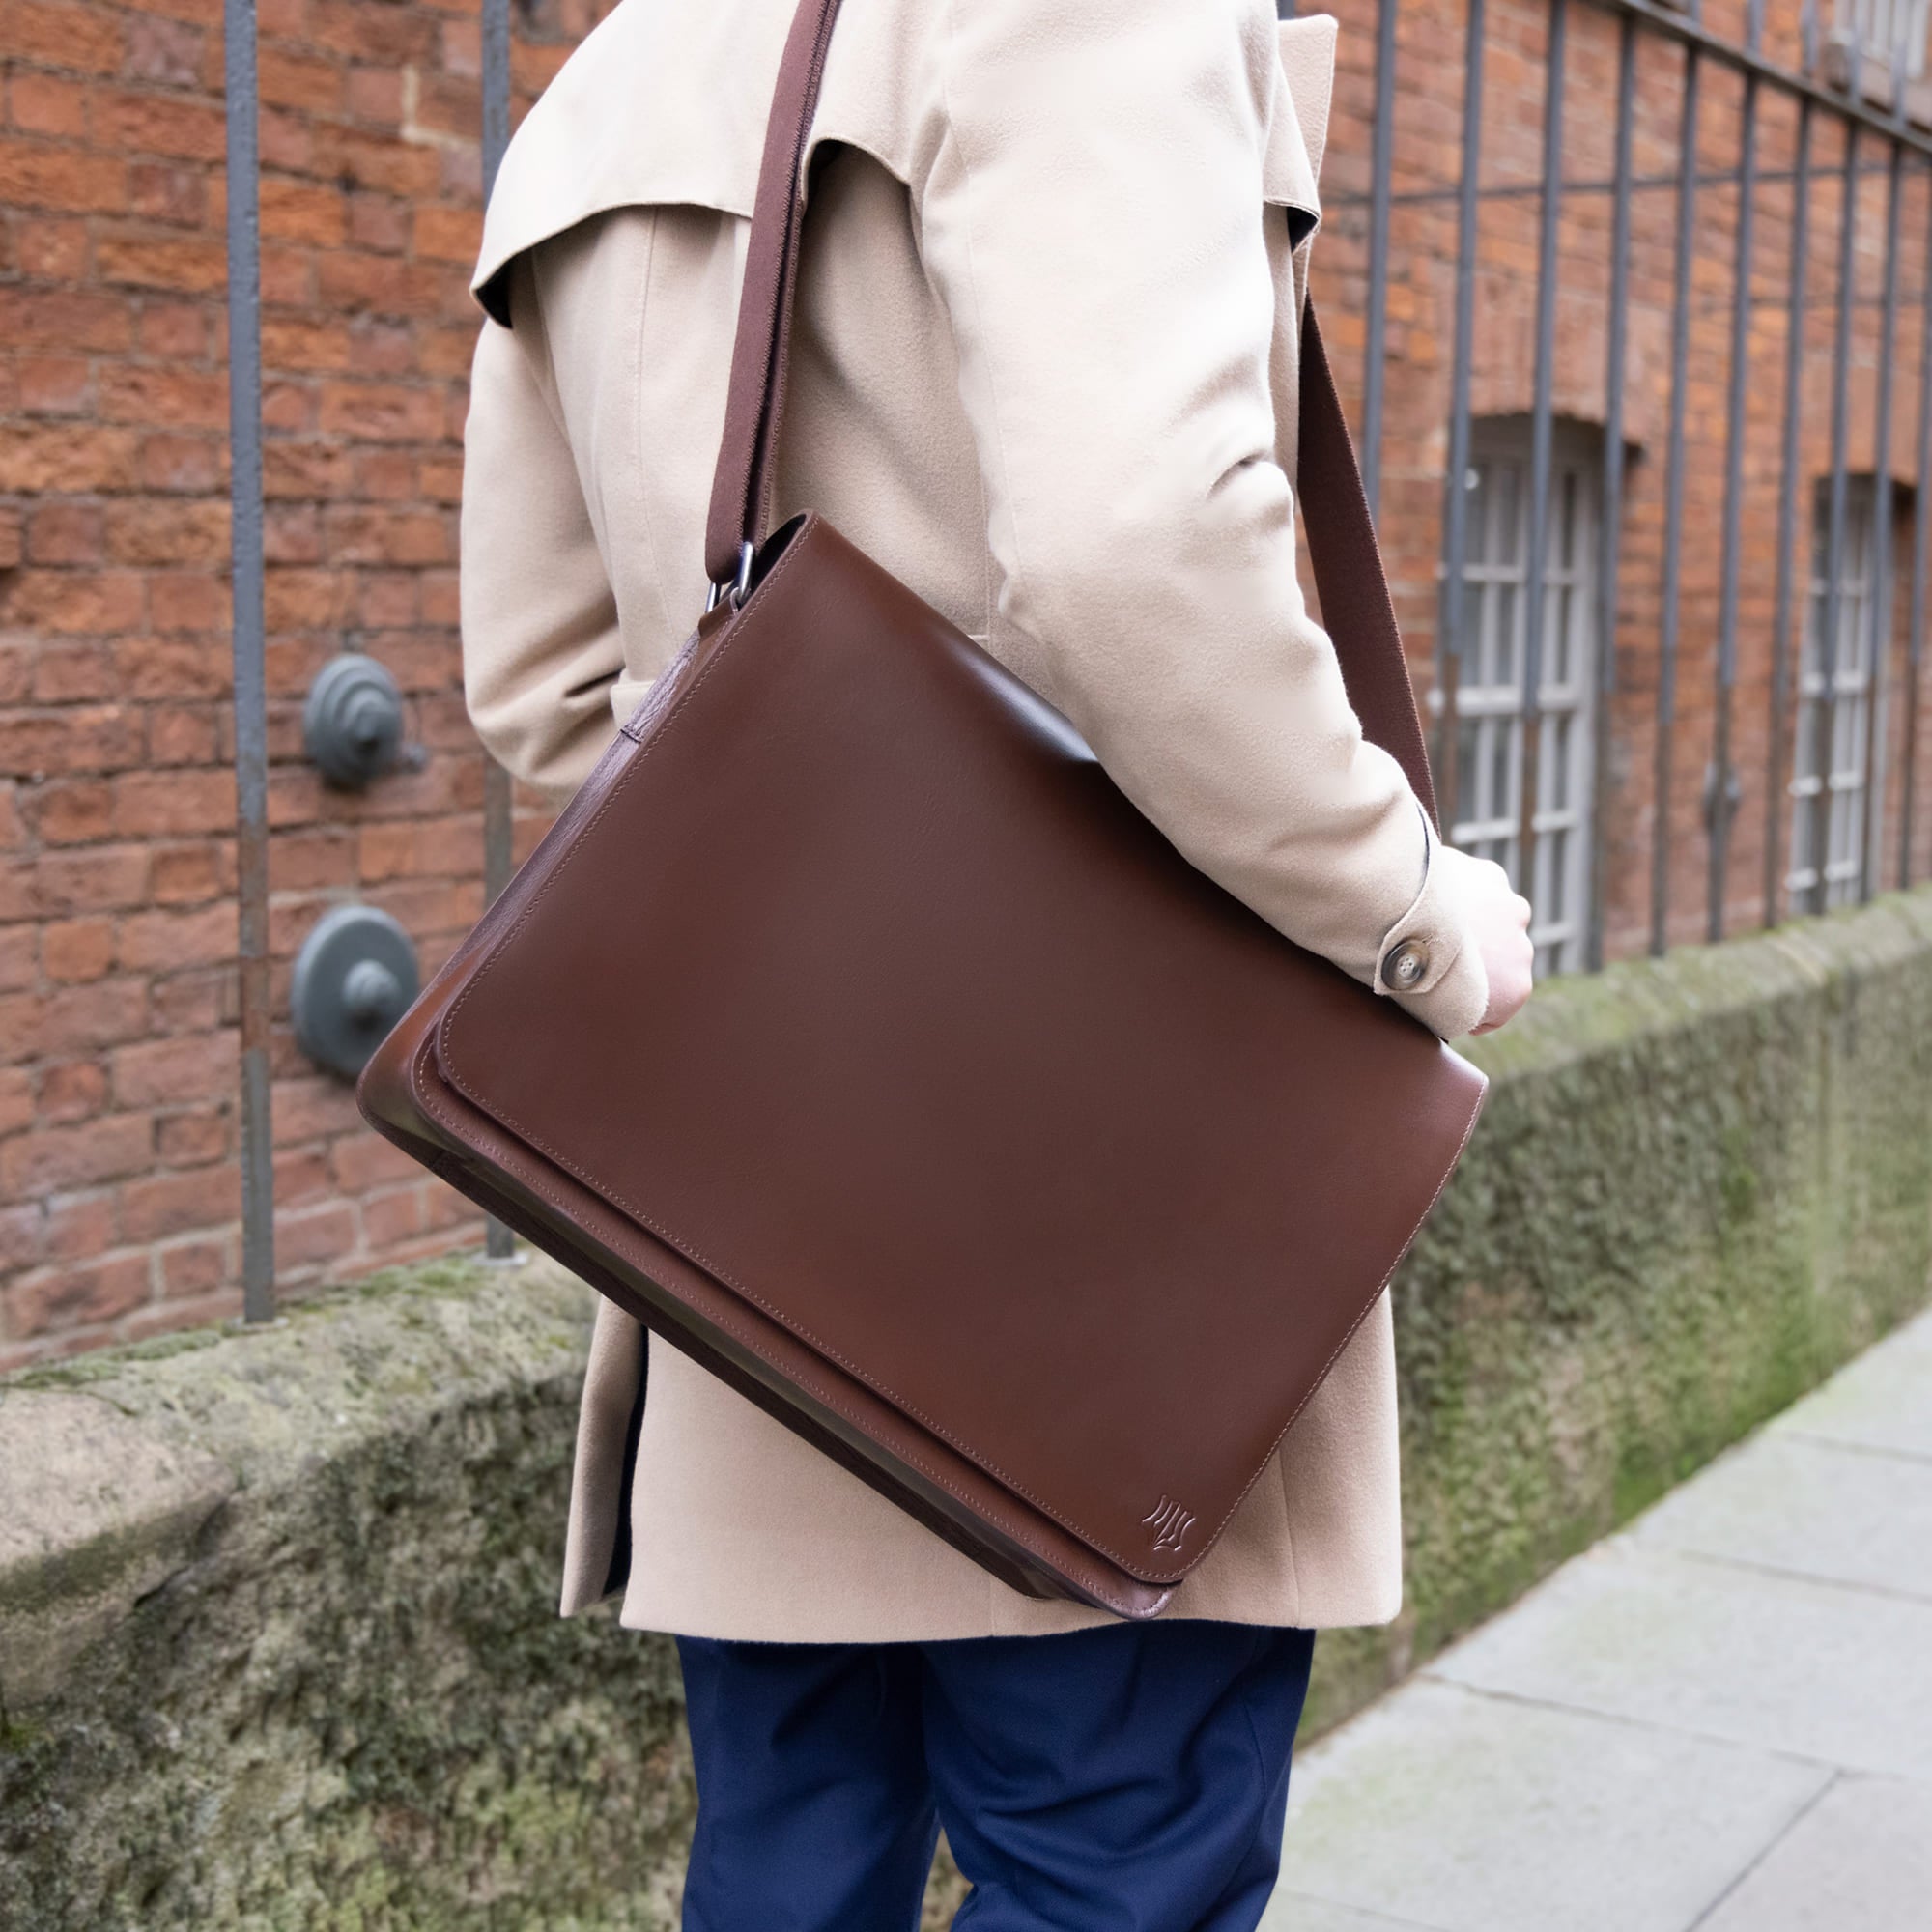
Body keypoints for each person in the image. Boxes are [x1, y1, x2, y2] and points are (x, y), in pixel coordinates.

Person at [457, 0, 1535, 1924]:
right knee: (1115, 1863)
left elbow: (545, 693)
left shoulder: (614, 77)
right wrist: (1414, 909)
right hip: (1106, 1248)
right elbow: (1138, 554)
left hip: (748, 1264)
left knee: (791, 1873)